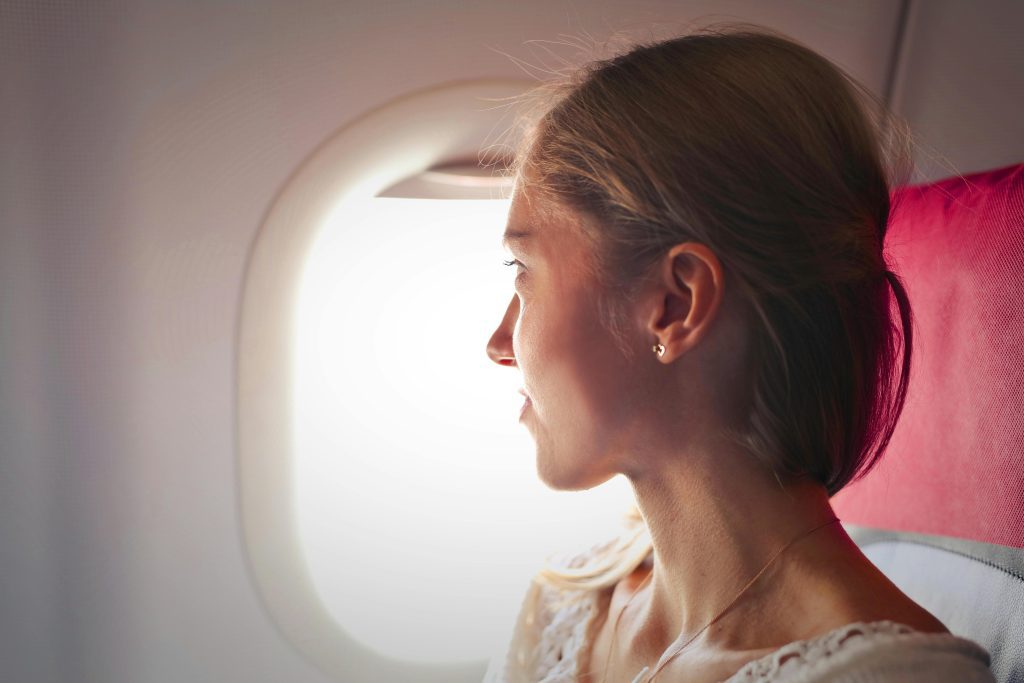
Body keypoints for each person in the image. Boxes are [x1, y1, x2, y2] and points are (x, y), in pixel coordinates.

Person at [482, 25, 996, 683]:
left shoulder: (891, 675)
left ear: (675, 302)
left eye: (522, 271)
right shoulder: (563, 605)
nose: (498, 343)